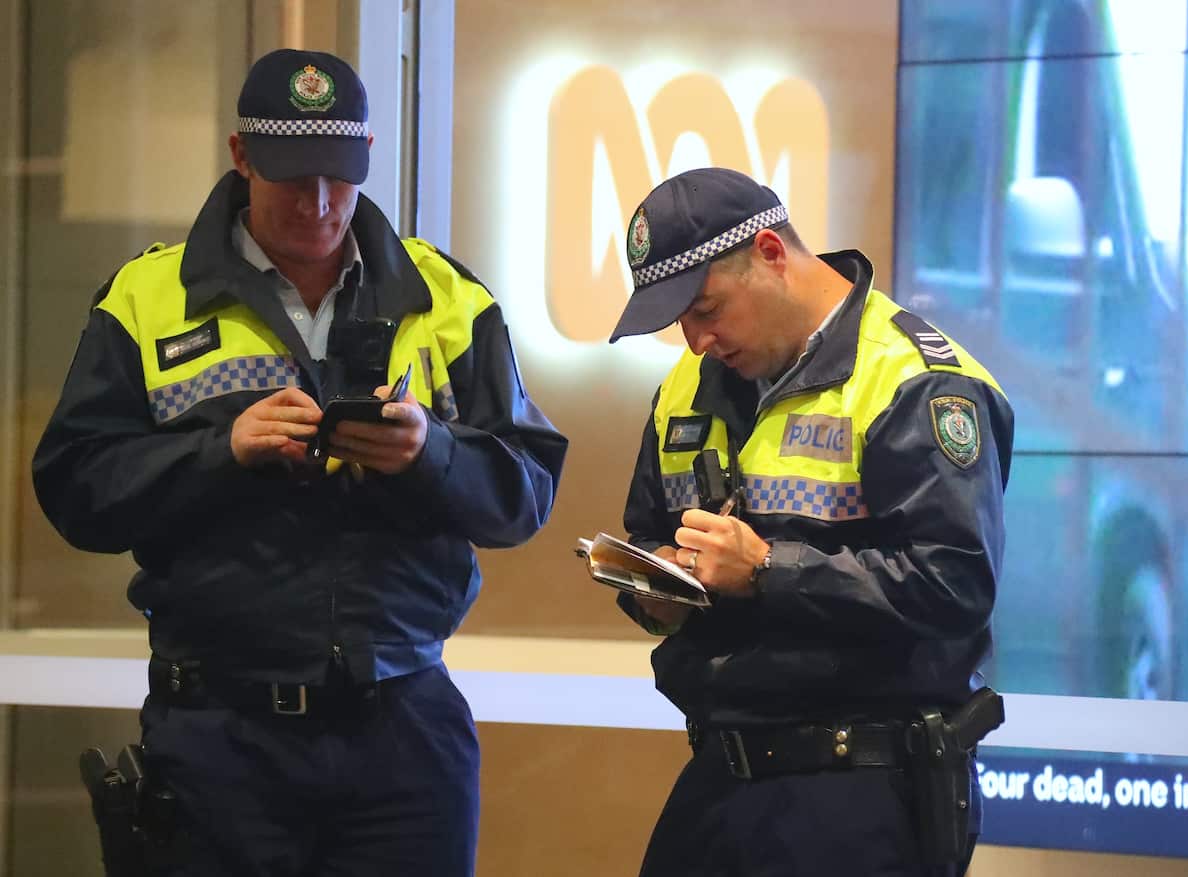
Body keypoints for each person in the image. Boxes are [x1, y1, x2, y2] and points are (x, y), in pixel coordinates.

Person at [33, 49, 567, 876]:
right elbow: (74, 488)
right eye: (290, 176)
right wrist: (223, 450)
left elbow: (524, 494)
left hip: (403, 730)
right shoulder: (145, 299)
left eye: (339, 176)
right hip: (218, 732)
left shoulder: (450, 300)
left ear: (368, 157)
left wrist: (431, 453)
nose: (319, 204)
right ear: (242, 155)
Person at [608, 167, 1014, 876]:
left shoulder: (913, 378)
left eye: (707, 309)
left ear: (770, 253)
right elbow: (648, 528)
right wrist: (653, 586)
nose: (697, 340)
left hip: (860, 786)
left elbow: (955, 581)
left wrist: (767, 571)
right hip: (720, 771)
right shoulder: (688, 386)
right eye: (681, 323)